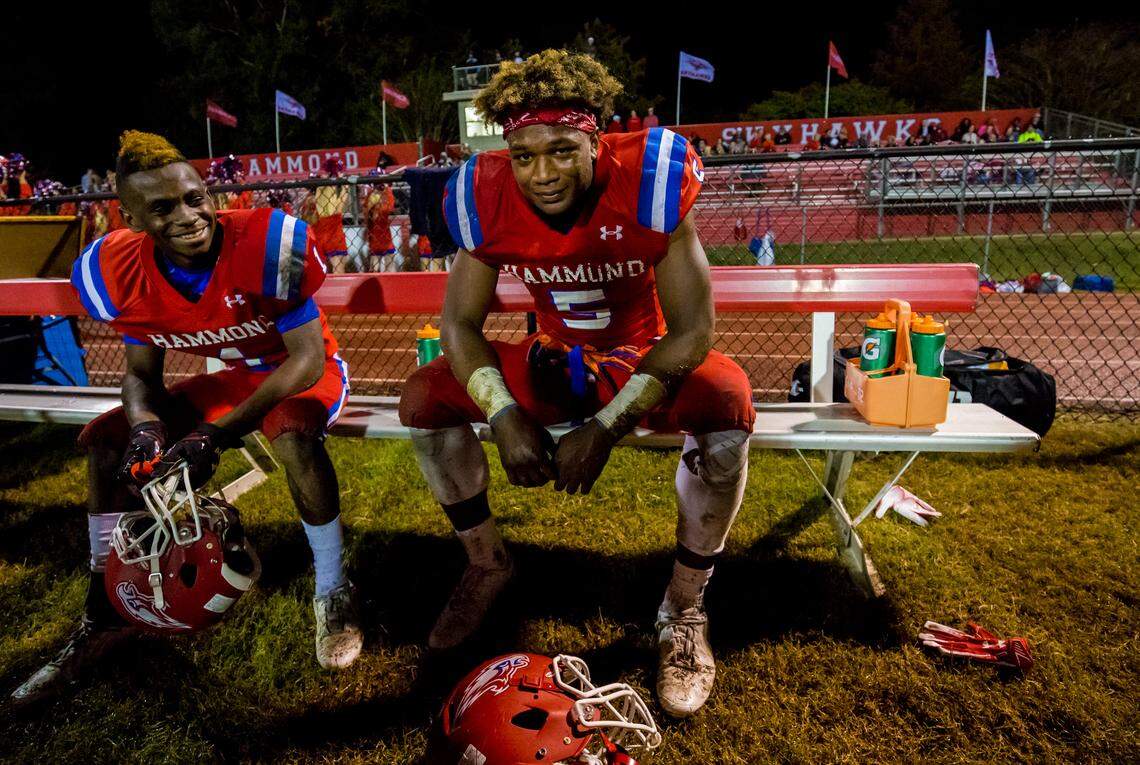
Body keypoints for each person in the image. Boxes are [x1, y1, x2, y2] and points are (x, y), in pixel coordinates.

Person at [398, 50, 756, 718]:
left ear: (596, 138)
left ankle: (684, 602)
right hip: (555, 359)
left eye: (562, 150)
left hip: (644, 358)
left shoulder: (648, 179)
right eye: (525, 155)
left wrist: (606, 427)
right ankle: (485, 563)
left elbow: (693, 331)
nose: (542, 173)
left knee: (729, 400)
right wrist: (502, 414)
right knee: (423, 398)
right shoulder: (485, 191)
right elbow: (458, 322)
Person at [9, 131, 363, 710]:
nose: (189, 216)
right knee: (107, 439)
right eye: (163, 207)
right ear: (129, 216)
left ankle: (334, 586)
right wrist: (146, 423)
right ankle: (106, 602)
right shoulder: (121, 268)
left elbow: (306, 360)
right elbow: (140, 376)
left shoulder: (263, 242)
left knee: (293, 434)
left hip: (296, 371)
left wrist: (213, 434)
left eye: (195, 198)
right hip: (232, 377)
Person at [365, 182, 397, 271]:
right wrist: (388, 190)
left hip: (374, 241)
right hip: (385, 240)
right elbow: (391, 206)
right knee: (390, 268)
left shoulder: (368, 211)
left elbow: (367, 204)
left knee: (374, 268)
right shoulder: (382, 210)